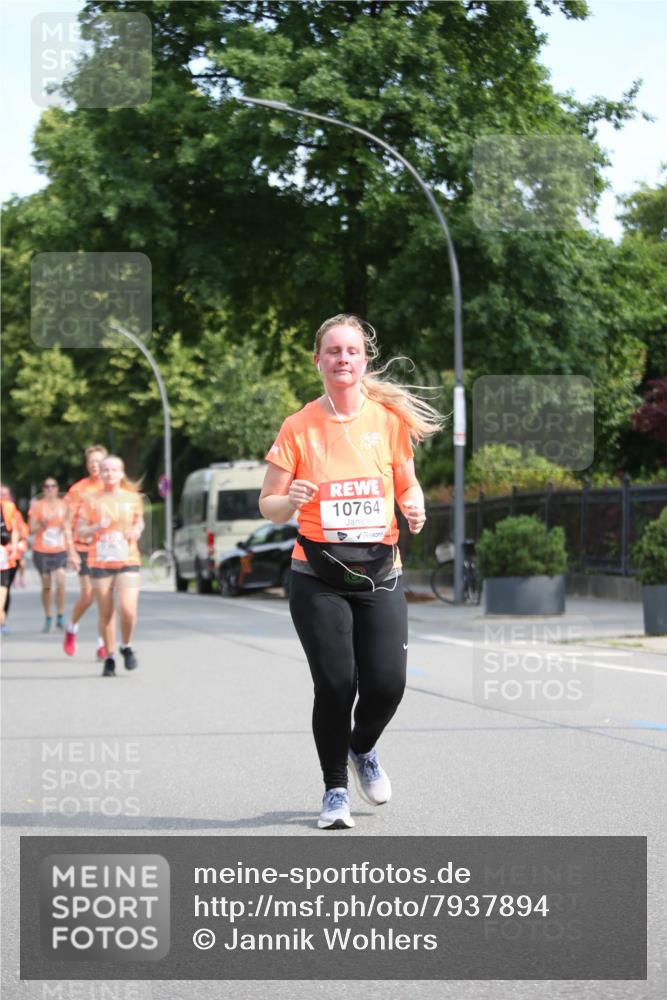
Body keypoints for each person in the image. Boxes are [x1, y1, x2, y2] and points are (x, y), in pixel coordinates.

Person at [260, 314, 443, 829]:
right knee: (337, 685)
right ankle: (335, 790)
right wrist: (288, 498)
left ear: (365, 360)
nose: (343, 359)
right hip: (316, 575)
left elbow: (408, 484)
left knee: (387, 683)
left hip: (380, 571)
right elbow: (268, 504)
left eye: (352, 351)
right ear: (317, 360)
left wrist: (414, 506)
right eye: (334, 351)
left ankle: (362, 748)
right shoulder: (298, 427)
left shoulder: (387, 422)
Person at [78, 455, 144, 677]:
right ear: (101, 473)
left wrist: (137, 530)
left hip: (128, 559)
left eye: (114, 470)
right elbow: (81, 531)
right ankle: (109, 656)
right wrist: (98, 526)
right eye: (105, 470)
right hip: (101, 561)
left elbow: (139, 521)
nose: (109, 474)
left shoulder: (132, 497)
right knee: (106, 612)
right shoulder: (90, 499)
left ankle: (126, 646)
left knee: (127, 609)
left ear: (121, 473)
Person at [63, 445, 108, 659]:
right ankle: (72, 628)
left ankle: (102, 643)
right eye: (91, 462)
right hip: (83, 548)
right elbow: (66, 522)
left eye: (98, 461)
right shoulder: (78, 489)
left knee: (104, 597)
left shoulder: (113, 487)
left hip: (106, 549)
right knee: (88, 596)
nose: (94, 466)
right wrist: (70, 551)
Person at [28, 478, 69, 632]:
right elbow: (30, 529)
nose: (50, 489)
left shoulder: (64, 505)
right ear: (43, 489)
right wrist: (41, 523)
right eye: (47, 486)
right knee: (46, 585)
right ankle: (48, 616)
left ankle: (60, 614)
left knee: (60, 581)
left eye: (53, 486)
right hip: (42, 550)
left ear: (57, 488)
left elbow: (69, 525)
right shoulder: (38, 506)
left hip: (59, 549)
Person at [0, 488, 20, 634]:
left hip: (3, 558)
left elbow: (15, 530)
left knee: (3, 593)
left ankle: (2, 620)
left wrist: (13, 547)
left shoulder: (8, 508)